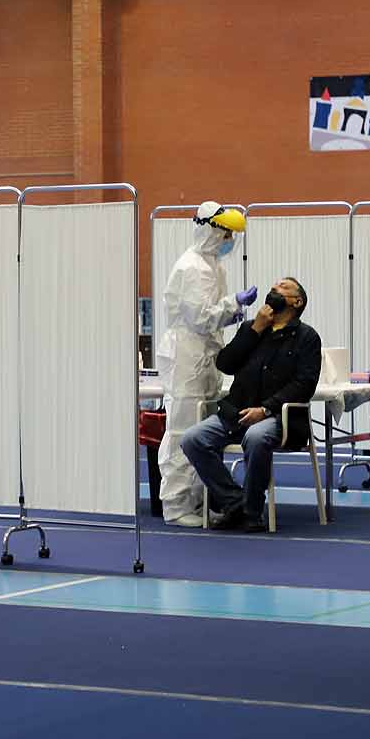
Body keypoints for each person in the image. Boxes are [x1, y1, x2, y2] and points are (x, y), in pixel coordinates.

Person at [181, 278, 321, 533]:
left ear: (296, 302)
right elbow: (225, 364)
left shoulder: (306, 337)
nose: (274, 289)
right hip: (236, 413)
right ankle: (234, 502)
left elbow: (304, 384)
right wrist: (254, 330)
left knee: (256, 437)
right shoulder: (253, 329)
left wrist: (265, 409)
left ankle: (252, 511)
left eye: (283, 288)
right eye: (274, 286)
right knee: (192, 439)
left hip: (278, 417)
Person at [154, 202, 257, 527]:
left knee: (203, 433)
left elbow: (213, 316)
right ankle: (176, 505)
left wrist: (231, 309)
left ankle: (200, 502)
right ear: (210, 230)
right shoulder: (191, 267)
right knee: (183, 430)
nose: (229, 239)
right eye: (225, 233)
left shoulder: (214, 266)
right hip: (187, 356)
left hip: (206, 356)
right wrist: (233, 304)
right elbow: (199, 317)